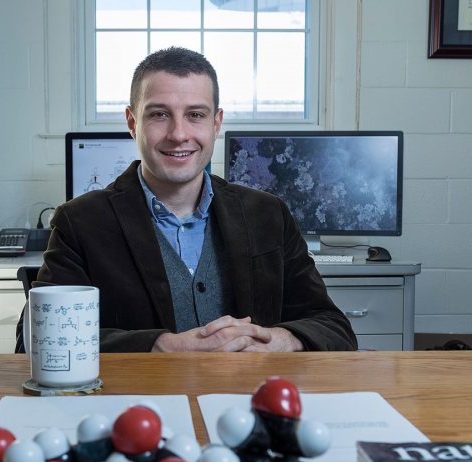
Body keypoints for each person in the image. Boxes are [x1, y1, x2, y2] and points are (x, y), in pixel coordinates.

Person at [32, 47, 356, 353]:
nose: (178, 134)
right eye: (159, 114)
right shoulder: (79, 223)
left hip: (249, 403)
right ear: (133, 123)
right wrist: (156, 347)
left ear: (216, 123)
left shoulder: (269, 215)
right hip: (137, 406)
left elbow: (333, 327)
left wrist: (281, 340)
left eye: (196, 115)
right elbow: (37, 340)